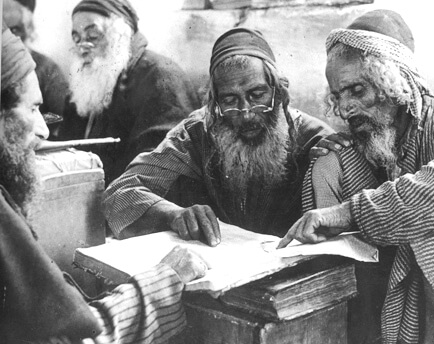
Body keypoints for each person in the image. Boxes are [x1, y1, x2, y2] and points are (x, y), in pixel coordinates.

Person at [0, 24, 208, 344]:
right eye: (31, 108)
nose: (44, 130)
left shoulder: (159, 80)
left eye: (94, 36)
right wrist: (163, 277)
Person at [279, 9, 434, 344]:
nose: (345, 110)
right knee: (327, 161)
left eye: (357, 90)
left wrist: (347, 213)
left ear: (393, 82)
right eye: (338, 96)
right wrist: (331, 158)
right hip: (380, 297)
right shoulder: (373, 138)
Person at [102, 27, 344, 245]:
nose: (246, 113)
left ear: (278, 91)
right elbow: (118, 194)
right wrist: (172, 215)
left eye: (257, 94)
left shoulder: (315, 138)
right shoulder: (196, 132)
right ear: (214, 104)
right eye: (229, 100)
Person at [59, 0, 201, 186]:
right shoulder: (86, 83)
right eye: (76, 38)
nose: (82, 47)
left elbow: (160, 165)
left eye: (93, 36)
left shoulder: (160, 76)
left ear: (120, 36)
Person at [3, 0, 69, 119]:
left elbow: (61, 117)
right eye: (3, 31)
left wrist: (29, 120)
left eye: (15, 30)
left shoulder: (48, 70)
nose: (8, 39)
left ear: (28, 30)